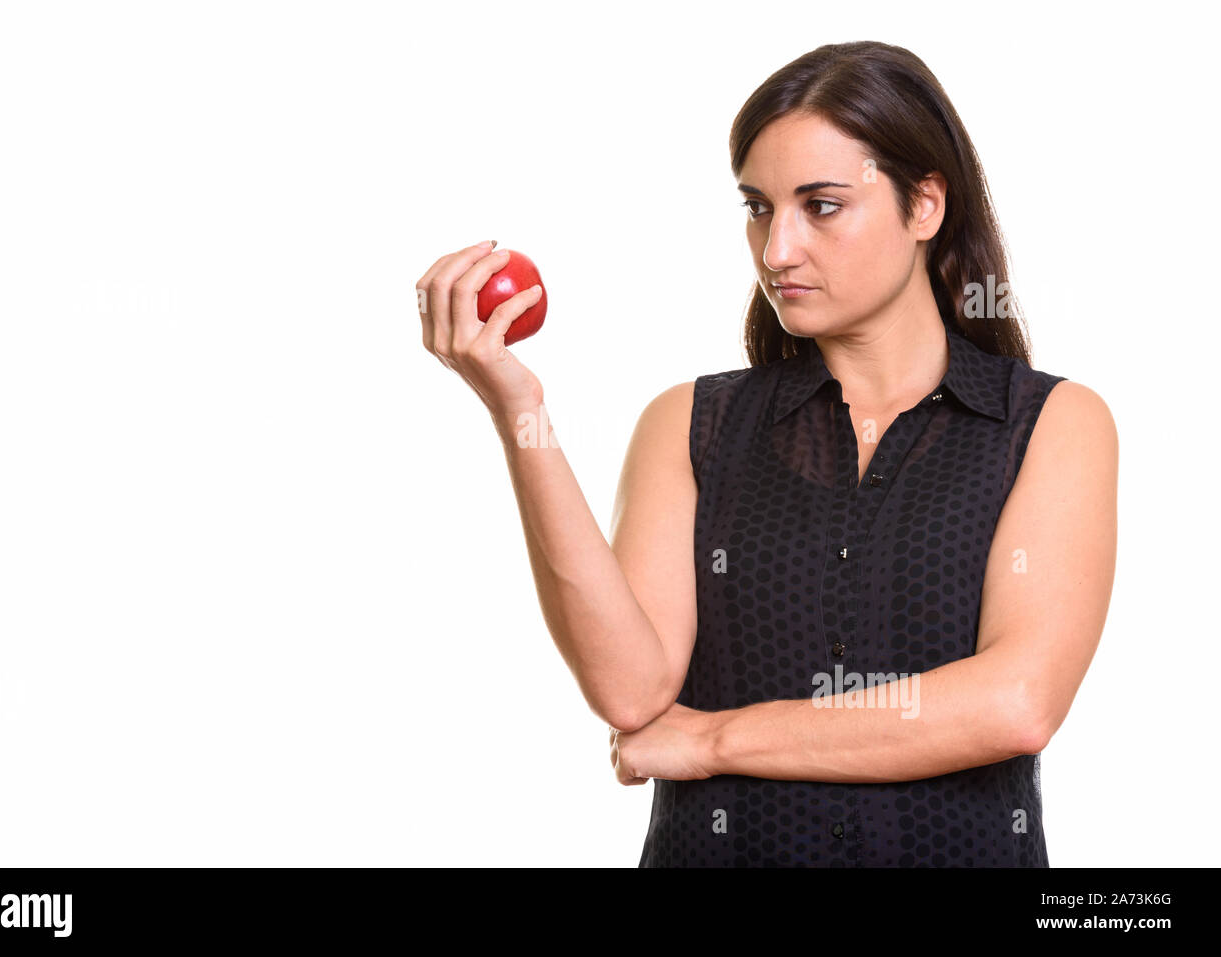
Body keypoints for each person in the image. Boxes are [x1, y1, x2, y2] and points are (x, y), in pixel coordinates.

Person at [415, 40, 1117, 867]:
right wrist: (519, 412)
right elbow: (633, 692)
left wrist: (714, 738)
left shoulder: (1049, 424)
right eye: (758, 207)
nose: (777, 250)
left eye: (821, 206)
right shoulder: (690, 424)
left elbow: (1016, 701)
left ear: (925, 204)